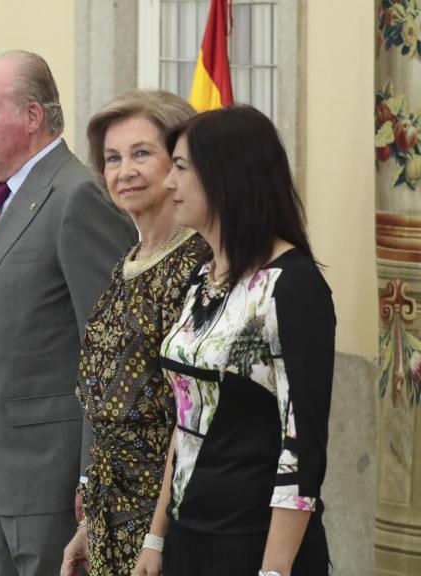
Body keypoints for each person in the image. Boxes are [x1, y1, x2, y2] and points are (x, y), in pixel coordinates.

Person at [0, 51, 135, 576]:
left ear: (31, 117)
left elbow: (109, 351)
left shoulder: (78, 196)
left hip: (47, 476)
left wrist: (90, 478)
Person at [132, 105, 335, 576]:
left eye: (180, 168)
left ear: (226, 176)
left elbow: (303, 446)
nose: (168, 184)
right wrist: (156, 537)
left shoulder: (291, 285)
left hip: (254, 545)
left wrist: (273, 570)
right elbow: (187, 422)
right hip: (188, 537)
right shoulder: (203, 276)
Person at [59, 91, 210, 576]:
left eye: (141, 153)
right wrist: (88, 524)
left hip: (167, 520)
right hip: (108, 518)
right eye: (112, 158)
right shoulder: (128, 261)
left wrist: (156, 536)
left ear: (180, 163)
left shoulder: (201, 267)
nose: (124, 170)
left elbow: (191, 418)